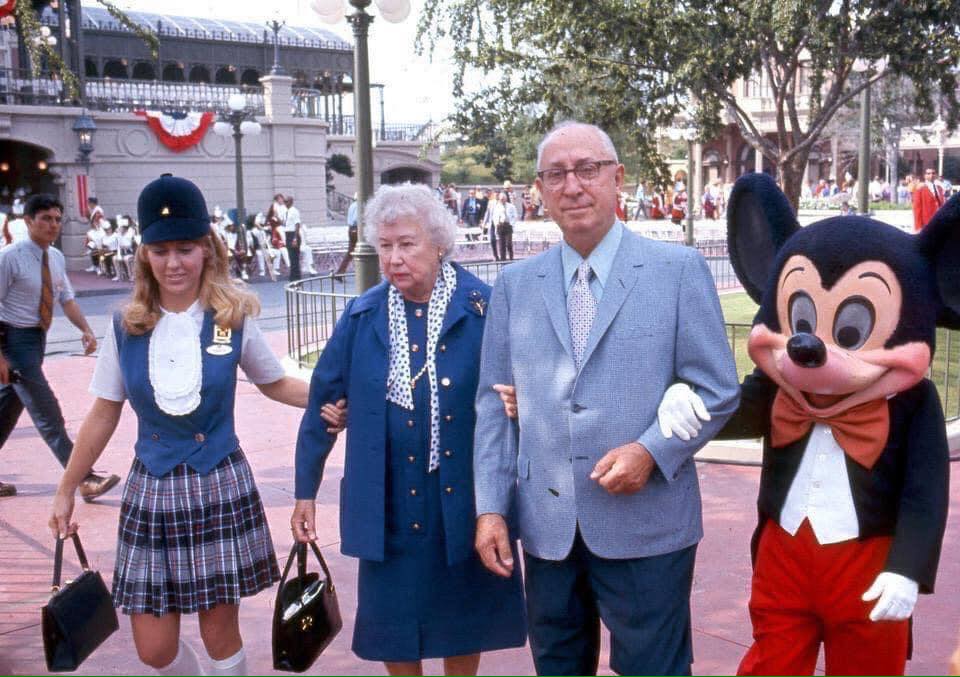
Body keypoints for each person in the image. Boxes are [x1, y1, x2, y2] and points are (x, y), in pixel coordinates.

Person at [473, 121, 740, 676]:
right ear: (539, 190)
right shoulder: (515, 287)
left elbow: (717, 389)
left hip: (647, 523)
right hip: (547, 528)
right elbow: (492, 409)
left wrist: (649, 451)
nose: (573, 185)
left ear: (618, 178)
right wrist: (491, 508)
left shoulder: (678, 270)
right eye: (556, 174)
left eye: (587, 170)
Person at [48, 174, 310, 675]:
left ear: (207, 250)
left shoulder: (229, 316)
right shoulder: (127, 323)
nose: (174, 263)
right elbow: (105, 410)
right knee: (154, 648)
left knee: (218, 631)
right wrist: (65, 488)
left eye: (186, 248)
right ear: (145, 253)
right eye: (161, 249)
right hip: (152, 490)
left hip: (219, 484)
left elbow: (274, 382)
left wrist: (338, 399)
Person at [291, 183, 527, 676]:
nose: (394, 258)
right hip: (387, 504)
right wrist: (304, 491)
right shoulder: (363, 315)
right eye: (385, 246)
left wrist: (521, 401)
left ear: (438, 243)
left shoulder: (483, 307)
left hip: (462, 500)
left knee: (462, 622)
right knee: (393, 630)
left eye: (407, 244)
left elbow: (527, 385)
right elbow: (322, 400)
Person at [0, 194, 119, 499]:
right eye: (45, 219)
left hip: (36, 340)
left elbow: (65, 298)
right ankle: (84, 478)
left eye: (57, 219)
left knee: (7, 410)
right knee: (47, 411)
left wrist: (86, 329)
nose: (53, 225)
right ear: (28, 221)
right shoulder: (8, 258)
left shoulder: (55, 257)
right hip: (11, 341)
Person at [913, 167, 945, 231]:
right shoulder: (920, 189)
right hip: (927, 222)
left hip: (939, 221)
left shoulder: (939, 188)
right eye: (928, 173)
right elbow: (917, 208)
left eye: (933, 173)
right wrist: (918, 226)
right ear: (925, 176)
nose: (931, 175)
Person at [335, 194, 359, 277]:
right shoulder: (358, 206)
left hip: (351, 229)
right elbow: (356, 219)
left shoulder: (352, 205)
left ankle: (340, 272)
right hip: (357, 229)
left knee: (350, 252)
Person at [491, 192, 517, 261]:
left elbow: (515, 216)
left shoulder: (511, 206)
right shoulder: (497, 207)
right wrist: (497, 223)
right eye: (501, 199)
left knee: (509, 243)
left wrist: (512, 224)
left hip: (508, 225)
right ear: (499, 199)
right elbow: (494, 217)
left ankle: (511, 259)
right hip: (500, 226)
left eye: (503, 199)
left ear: (506, 199)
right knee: (501, 245)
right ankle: (503, 260)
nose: (502, 200)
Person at [284, 196, 302, 281]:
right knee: (291, 257)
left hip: (293, 235)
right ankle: (293, 276)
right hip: (288, 235)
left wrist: (295, 238)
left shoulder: (294, 211)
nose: (285, 203)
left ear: (291, 202)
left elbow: (297, 224)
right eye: (284, 202)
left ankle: (296, 278)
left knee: (294, 257)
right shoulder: (287, 211)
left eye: (286, 201)